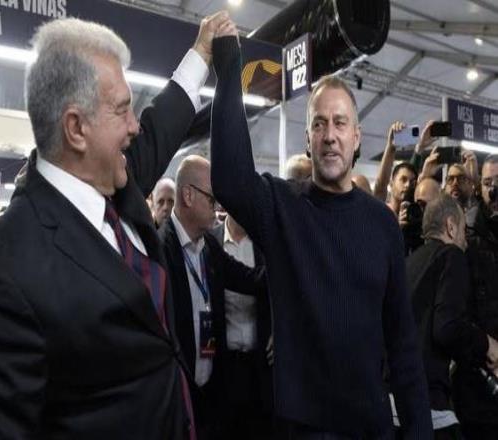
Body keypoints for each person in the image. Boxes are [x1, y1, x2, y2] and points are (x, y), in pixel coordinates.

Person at [0, 12, 233, 439]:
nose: (134, 125)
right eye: (123, 110)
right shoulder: (12, 262)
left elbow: (161, 125)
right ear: (76, 128)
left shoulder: (116, 181)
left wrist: (201, 52)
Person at [210, 33, 432, 438]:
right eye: (319, 124)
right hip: (303, 430)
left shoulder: (382, 225)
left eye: (340, 123)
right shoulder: (281, 207)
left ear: (356, 137)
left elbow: (403, 343)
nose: (330, 134)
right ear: (308, 140)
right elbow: (228, 179)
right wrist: (228, 63)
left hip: (370, 427)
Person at [159, 155, 265, 439]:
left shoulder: (209, 247)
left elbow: (251, 279)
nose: (218, 207)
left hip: (213, 397)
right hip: (178, 399)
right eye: (211, 198)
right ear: (188, 195)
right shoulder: (160, 251)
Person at [405, 194, 498, 439]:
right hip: (427, 407)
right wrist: (488, 345)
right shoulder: (451, 256)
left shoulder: (409, 263)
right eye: (463, 230)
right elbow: (448, 327)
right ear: (451, 226)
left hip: (394, 404)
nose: (466, 241)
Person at [211, 213, 274, 440]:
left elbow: (283, 292)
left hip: (261, 367)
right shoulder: (210, 242)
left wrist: (278, 330)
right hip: (223, 367)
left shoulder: (266, 244)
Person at [453, 154, 498, 439]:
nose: (494, 189)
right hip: (477, 370)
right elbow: (457, 306)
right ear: (479, 186)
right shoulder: (465, 233)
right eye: (488, 182)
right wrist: (486, 347)